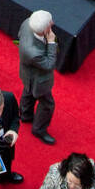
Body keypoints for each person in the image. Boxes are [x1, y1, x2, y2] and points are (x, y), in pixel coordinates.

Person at [18, 10, 58, 145]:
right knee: (47, 104)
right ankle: (38, 129)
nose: (53, 23)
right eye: (50, 22)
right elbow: (49, 64)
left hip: (27, 73)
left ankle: (25, 115)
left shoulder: (27, 23)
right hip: (39, 80)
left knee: (27, 92)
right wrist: (52, 43)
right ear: (45, 29)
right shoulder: (34, 52)